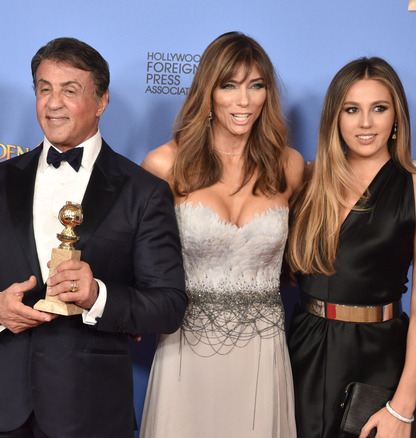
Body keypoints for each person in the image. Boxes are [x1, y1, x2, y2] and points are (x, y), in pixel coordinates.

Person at [0, 37, 187, 438]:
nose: (53, 103)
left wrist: (98, 296)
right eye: (44, 89)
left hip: (90, 410)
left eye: (70, 91)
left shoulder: (143, 192)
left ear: (101, 101)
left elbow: (169, 305)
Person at [139, 31, 304, 437]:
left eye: (255, 86)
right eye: (229, 86)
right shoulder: (165, 164)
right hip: (184, 349)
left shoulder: (289, 166)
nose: (243, 100)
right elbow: (138, 262)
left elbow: (303, 260)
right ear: (208, 91)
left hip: (262, 352)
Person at [286, 57, 416, 438]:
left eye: (379, 108)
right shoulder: (308, 180)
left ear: (396, 117)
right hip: (302, 348)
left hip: (378, 358)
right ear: (334, 117)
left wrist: (402, 407)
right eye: (351, 110)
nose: (365, 123)